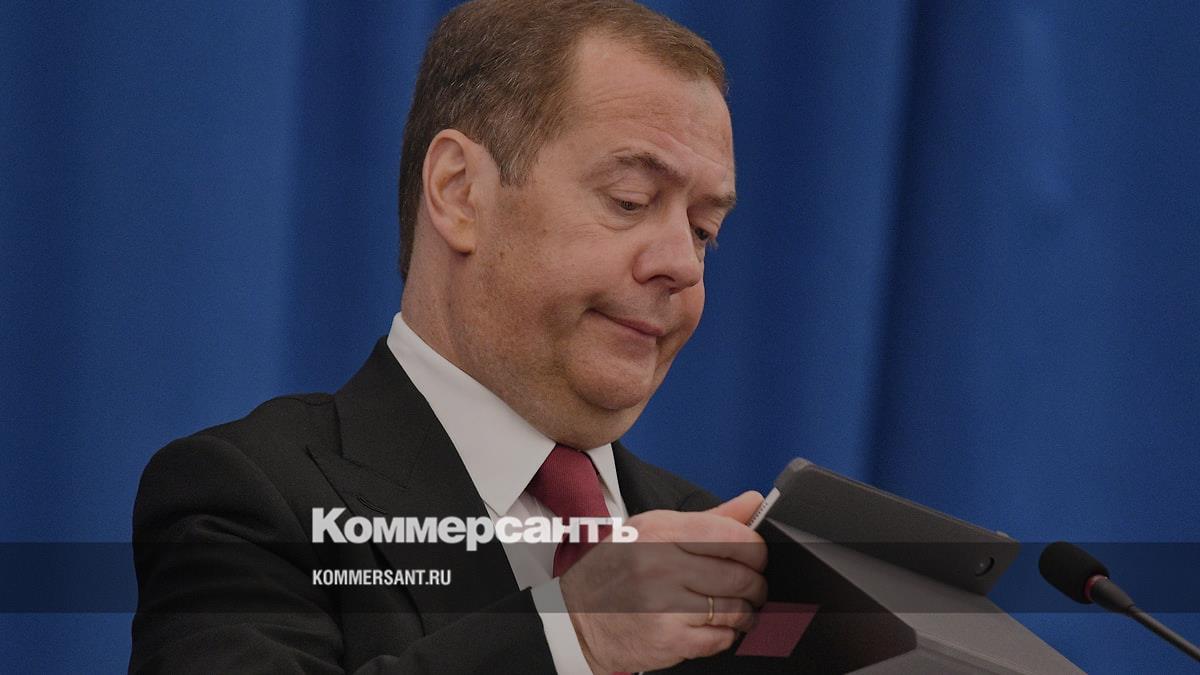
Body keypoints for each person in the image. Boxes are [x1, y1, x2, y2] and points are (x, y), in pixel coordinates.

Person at [130, 1, 768, 672]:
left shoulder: (721, 548)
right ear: (460, 192)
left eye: (703, 231)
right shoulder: (249, 499)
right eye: (630, 199)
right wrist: (574, 632)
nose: (682, 264)